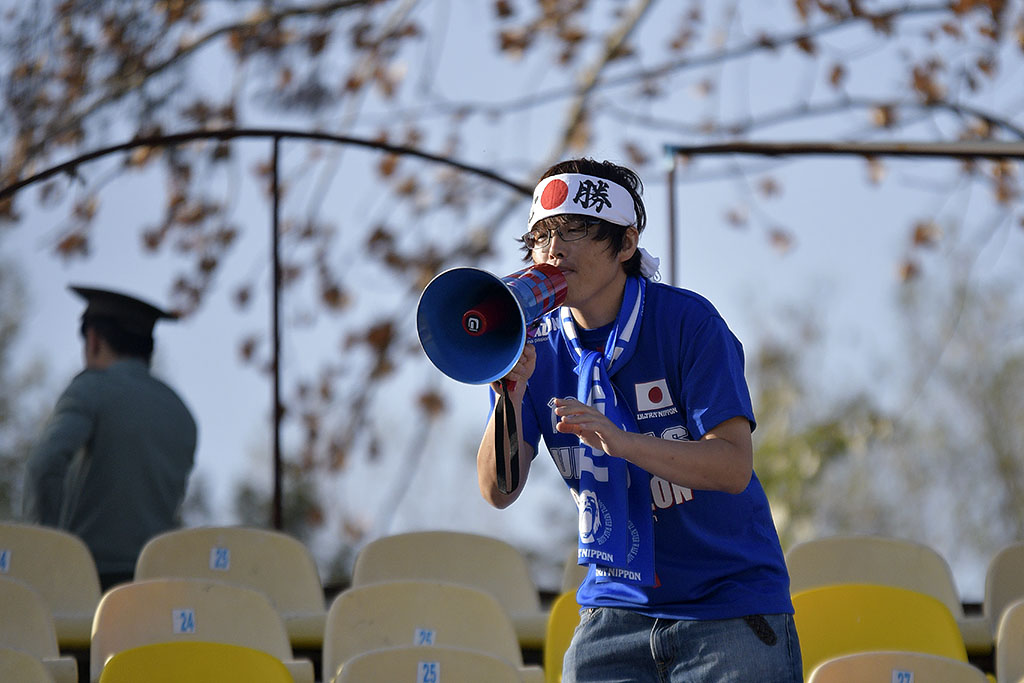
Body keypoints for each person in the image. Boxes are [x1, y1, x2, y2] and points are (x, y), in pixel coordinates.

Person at [476, 159, 802, 681]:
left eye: (575, 231)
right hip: (612, 613)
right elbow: (498, 491)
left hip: (727, 607)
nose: (554, 250)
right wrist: (508, 401)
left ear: (626, 243)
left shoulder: (688, 322)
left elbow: (731, 466)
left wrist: (623, 442)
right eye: (541, 236)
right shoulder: (533, 345)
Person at [23, 285, 197, 590]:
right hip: (153, 586)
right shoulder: (181, 412)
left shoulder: (91, 389)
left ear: (93, 340)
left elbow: (45, 465)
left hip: (85, 582)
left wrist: (45, 551)